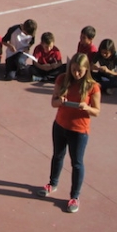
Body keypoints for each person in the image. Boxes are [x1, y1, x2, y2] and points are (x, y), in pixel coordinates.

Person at [37, 54, 101, 214]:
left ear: (86, 70)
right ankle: (52, 184)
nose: (76, 74)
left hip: (79, 130)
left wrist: (86, 108)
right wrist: (61, 101)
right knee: (57, 155)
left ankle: (74, 196)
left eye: (79, 71)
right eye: (73, 70)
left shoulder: (92, 86)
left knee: (77, 163)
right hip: (60, 125)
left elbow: (97, 111)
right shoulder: (62, 79)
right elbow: (53, 102)